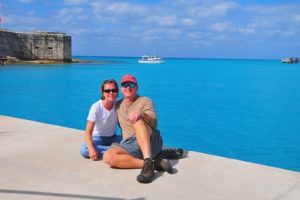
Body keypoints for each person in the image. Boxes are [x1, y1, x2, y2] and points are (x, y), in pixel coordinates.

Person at [103, 74, 173, 183]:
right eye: (124, 85)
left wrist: (142, 115)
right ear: (121, 89)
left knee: (137, 121)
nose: (128, 87)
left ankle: (148, 165)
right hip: (130, 145)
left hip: (150, 140)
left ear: (136, 87)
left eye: (131, 84)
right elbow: (103, 107)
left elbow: (154, 124)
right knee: (108, 157)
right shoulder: (117, 105)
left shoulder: (145, 100)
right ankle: (154, 163)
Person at [80, 79, 122, 160]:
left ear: (117, 92)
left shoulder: (118, 105)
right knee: (84, 150)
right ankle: (115, 150)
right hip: (97, 138)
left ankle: (110, 150)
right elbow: (88, 131)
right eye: (107, 91)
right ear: (102, 92)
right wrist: (91, 150)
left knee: (132, 142)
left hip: (113, 138)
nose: (111, 93)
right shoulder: (96, 107)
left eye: (114, 90)